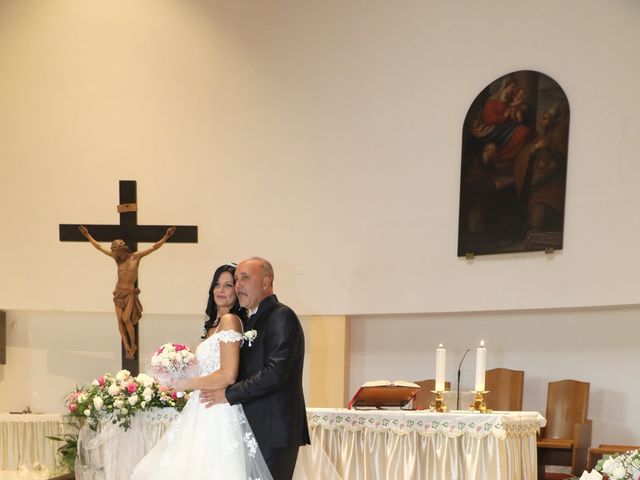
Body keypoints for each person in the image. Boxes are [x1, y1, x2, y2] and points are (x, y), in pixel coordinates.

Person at [130, 263, 273, 479]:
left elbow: (228, 374)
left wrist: (183, 384)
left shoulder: (230, 321)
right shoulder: (214, 326)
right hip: (202, 407)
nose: (221, 290)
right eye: (217, 284)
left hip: (217, 410)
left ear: (237, 290)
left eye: (228, 285)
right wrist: (175, 370)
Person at [200, 257, 311, 480]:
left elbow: (275, 373)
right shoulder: (252, 320)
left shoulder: (281, 315)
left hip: (273, 430)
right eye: (237, 279)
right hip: (255, 428)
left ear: (266, 282)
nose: (238, 284)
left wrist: (228, 394)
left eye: (245, 278)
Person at [78, 225, 175, 359]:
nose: (116, 255)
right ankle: (127, 347)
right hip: (118, 293)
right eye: (115, 253)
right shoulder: (117, 260)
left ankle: (133, 344)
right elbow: (100, 248)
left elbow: (153, 247)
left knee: (126, 319)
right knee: (120, 320)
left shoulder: (136, 257)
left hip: (130, 293)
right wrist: (87, 235)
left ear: (122, 249)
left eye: (117, 252)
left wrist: (166, 236)